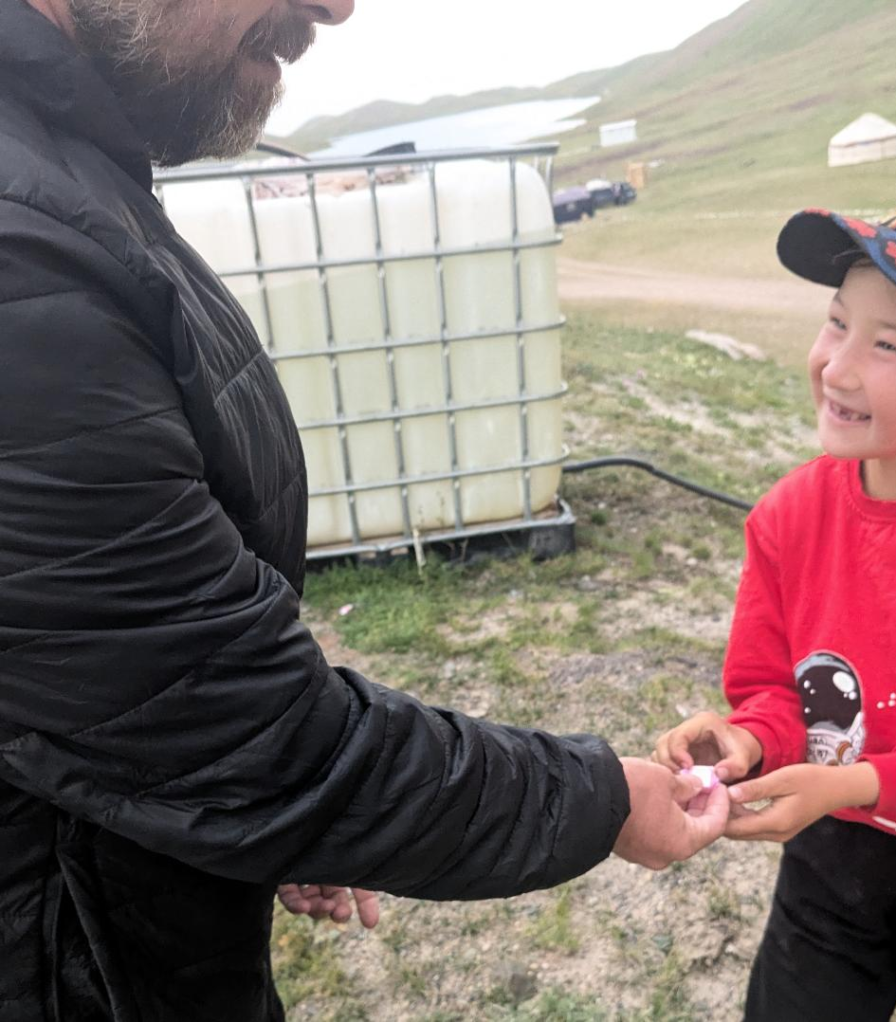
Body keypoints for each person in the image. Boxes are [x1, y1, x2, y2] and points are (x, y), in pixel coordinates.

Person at [0, 0, 730, 1019]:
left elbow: (150, 696)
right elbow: (238, 735)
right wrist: (600, 798)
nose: (336, 6)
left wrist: (262, 820)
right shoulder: (24, 247)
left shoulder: (67, 174)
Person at [654, 180, 896, 1022]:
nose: (838, 365)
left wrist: (847, 783)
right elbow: (783, 696)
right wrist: (748, 739)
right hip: (835, 856)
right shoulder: (788, 516)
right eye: (836, 321)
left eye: (888, 345)